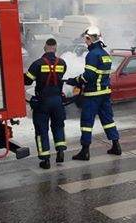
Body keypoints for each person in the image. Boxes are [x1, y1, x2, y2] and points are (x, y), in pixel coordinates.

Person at [66, 26, 121, 160]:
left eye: (86, 39)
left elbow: (89, 76)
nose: (85, 42)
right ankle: (116, 145)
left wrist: (75, 81)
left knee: (87, 122)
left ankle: (85, 151)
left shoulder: (92, 55)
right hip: (105, 94)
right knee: (108, 120)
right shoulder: (105, 54)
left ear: (90, 39)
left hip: (93, 95)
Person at [23, 38, 68, 170]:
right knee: (58, 125)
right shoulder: (62, 63)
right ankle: (60, 151)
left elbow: (27, 81)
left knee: (42, 129)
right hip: (58, 100)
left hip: (42, 101)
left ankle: (45, 159)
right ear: (56, 48)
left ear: (44, 47)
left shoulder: (37, 64)